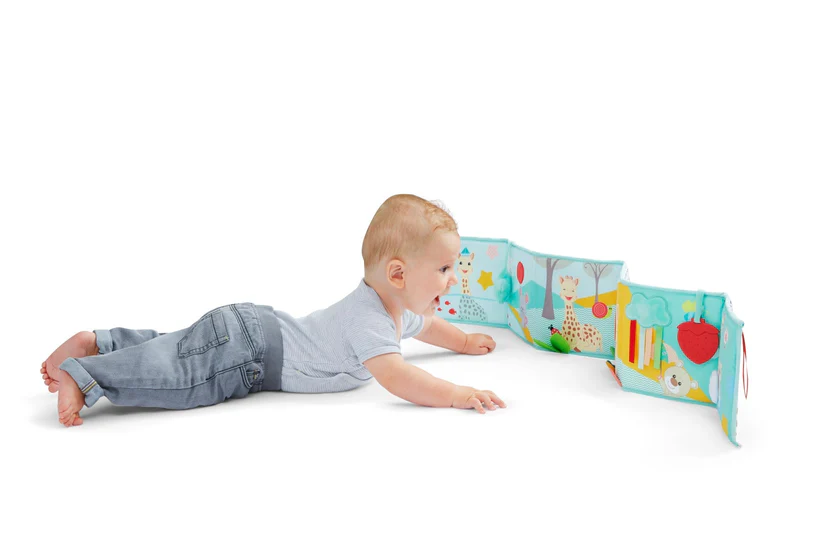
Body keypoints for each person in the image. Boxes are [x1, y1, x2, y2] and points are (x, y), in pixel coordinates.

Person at [40, 194, 505, 427]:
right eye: (444, 268)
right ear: (398, 274)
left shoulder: (395, 307)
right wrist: (456, 394)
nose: (452, 279)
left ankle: (100, 344)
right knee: (181, 377)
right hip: (252, 354)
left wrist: (463, 341)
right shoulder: (370, 322)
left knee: (177, 350)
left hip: (251, 331)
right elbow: (400, 378)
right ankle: (83, 375)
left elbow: (428, 327)